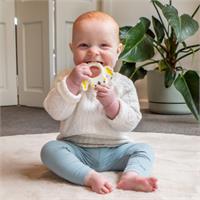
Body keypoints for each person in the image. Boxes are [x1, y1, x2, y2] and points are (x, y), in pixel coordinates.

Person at [40, 11, 158, 194]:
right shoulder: (65, 79)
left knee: (144, 150)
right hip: (76, 149)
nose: (94, 51)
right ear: (72, 49)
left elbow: (131, 122)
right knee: (49, 150)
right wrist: (72, 85)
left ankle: (131, 176)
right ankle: (87, 176)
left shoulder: (123, 84)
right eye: (84, 45)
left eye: (104, 45)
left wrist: (112, 104)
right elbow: (55, 112)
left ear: (117, 51)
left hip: (116, 149)